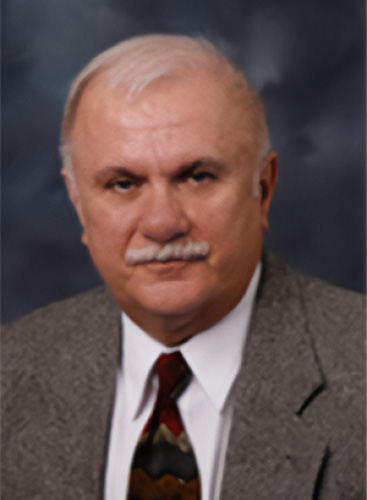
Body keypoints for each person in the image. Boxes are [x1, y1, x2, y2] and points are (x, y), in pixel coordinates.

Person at [1, 34, 365, 500]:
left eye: (198, 176)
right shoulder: (9, 376)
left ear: (264, 189)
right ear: (78, 204)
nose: (162, 223)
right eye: (122, 184)